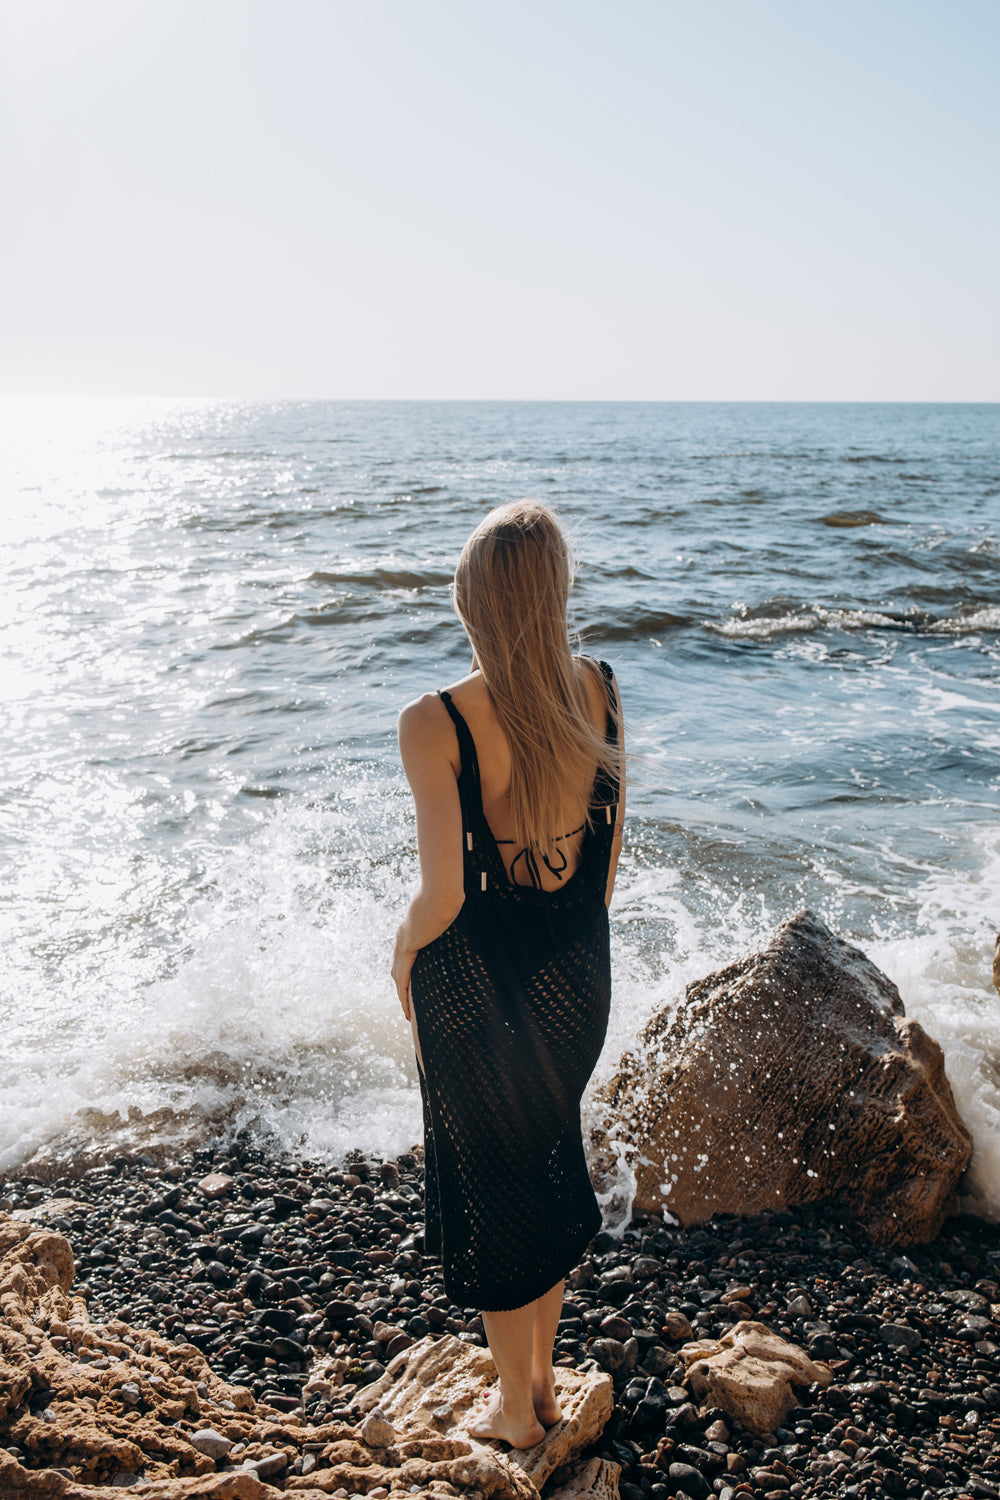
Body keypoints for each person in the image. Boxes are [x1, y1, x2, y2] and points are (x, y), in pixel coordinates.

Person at [390, 500, 624, 1449]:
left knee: (494, 1189)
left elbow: (442, 897)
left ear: (473, 602)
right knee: (545, 1158)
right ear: (556, 593)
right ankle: (540, 1386)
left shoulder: (436, 720)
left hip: (474, 985)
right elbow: (606, 865)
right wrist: (568, 965)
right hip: (575, 973)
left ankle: (514, 1412)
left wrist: (403, 955)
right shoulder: (599, 688)